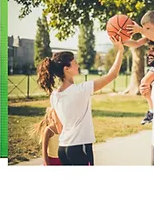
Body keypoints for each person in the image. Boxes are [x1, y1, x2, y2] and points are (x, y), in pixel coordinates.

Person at [37, 36, 124, 165]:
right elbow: (113, 75)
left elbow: (59, 126)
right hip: (79, 147)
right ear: (66, 69)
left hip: (63, 148)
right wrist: (120, 51)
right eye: (74, 62)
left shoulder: (54, 95)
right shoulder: (81, 90)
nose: (77, 65)